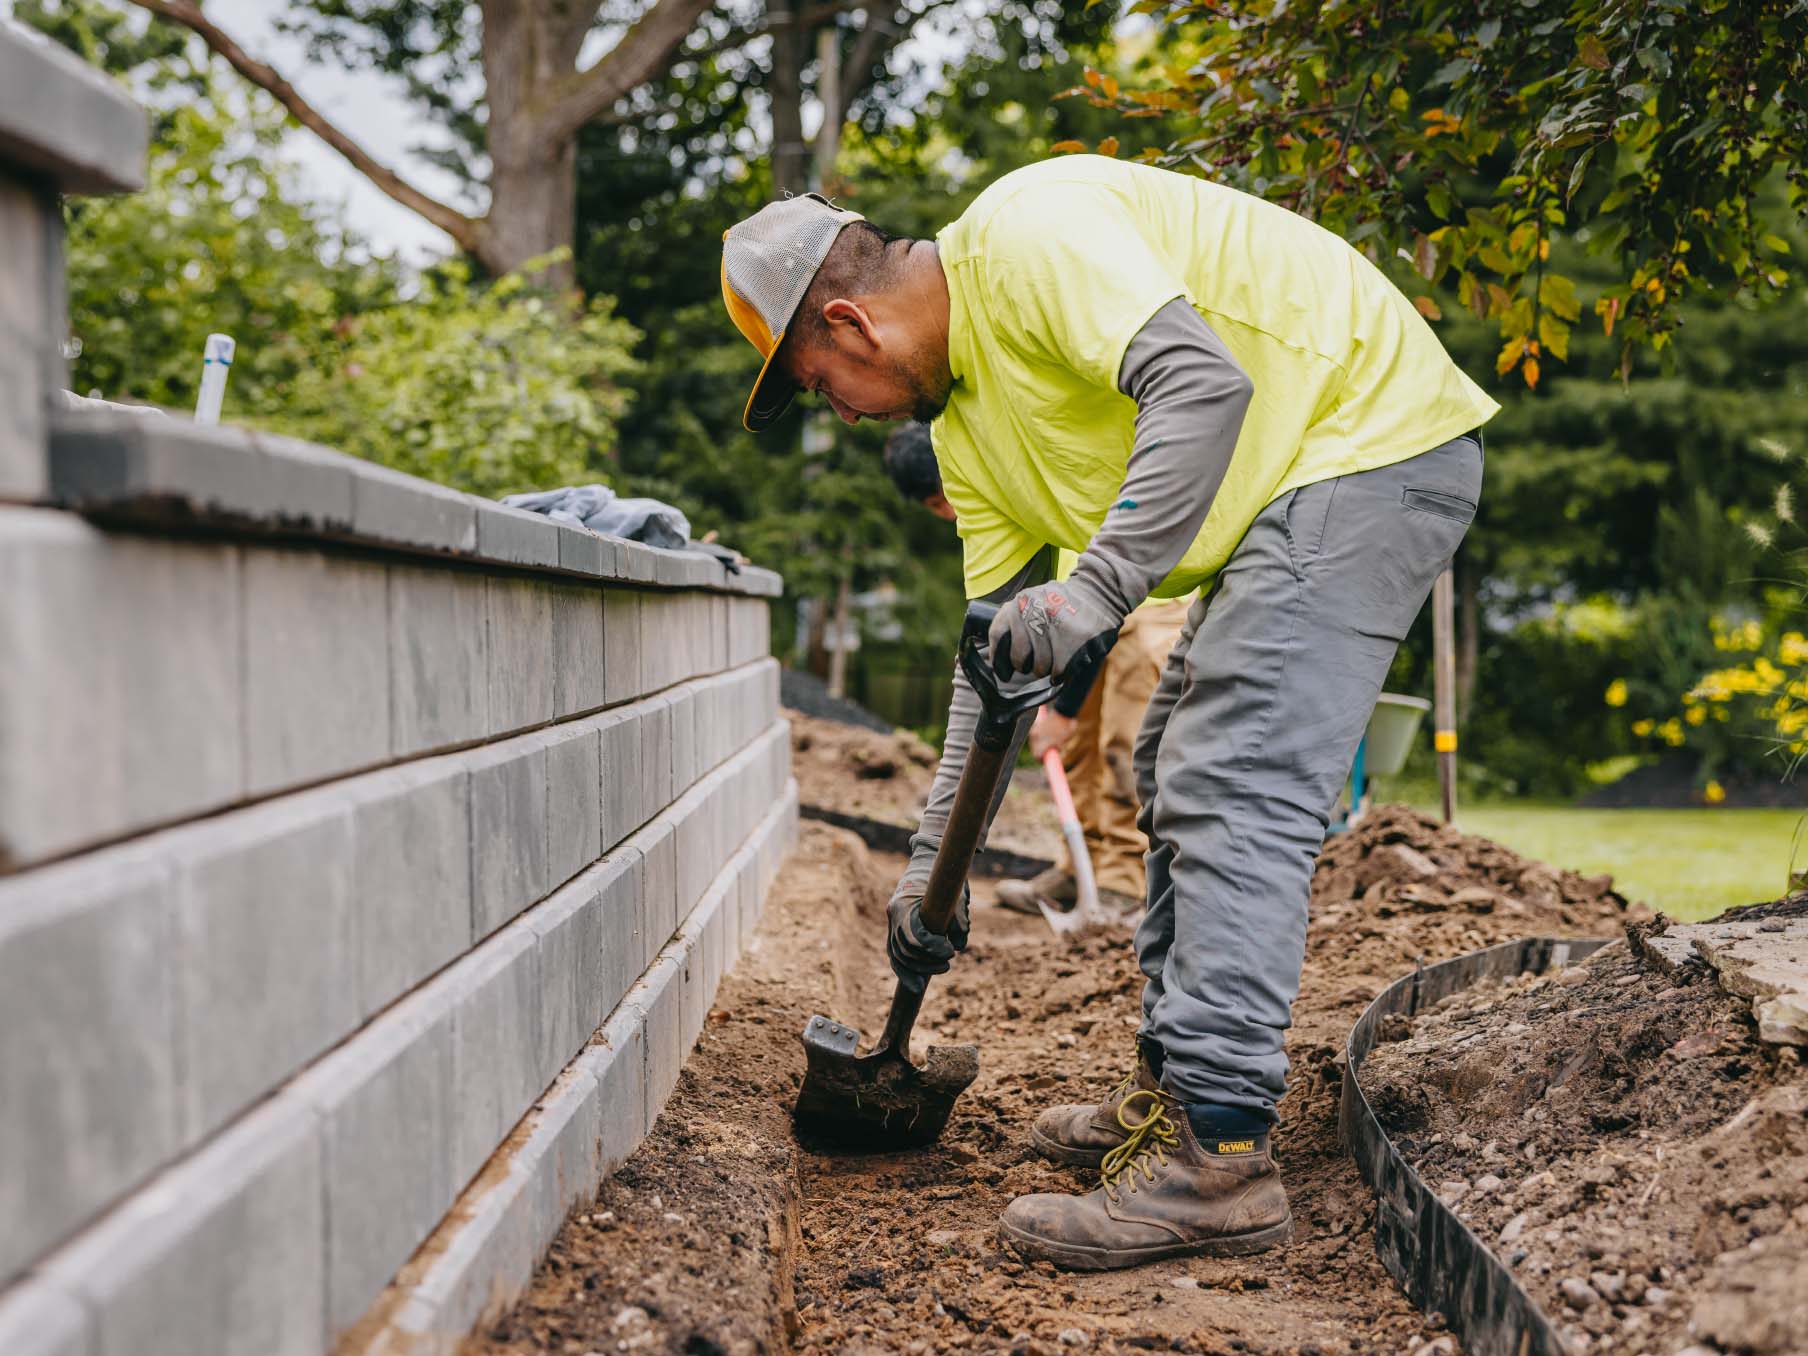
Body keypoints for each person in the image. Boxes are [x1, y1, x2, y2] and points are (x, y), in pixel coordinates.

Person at [721, 157, 1496, 1271]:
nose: (837, 414)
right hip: (1290, 490)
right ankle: (1174, 1099)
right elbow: (985, 672)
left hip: (1364, 442)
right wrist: (925, 871)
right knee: (1169, 753)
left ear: (849, 322)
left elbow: (1200, 382)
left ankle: (1217, 1159)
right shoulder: (965, 435)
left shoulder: (1028, 235)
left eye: (816, 384)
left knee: (1228, 780)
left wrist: (1091, 590)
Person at [882, 421, 1187, 915]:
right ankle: (1078, 867)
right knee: (1080, 751)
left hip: (1148, 602)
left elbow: (1100, 621)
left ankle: (1123, 881)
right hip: (1085, 609)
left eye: (944, 500)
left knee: (1122, 747)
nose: (951, 512)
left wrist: (1060, 711)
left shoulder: (1021, 460)